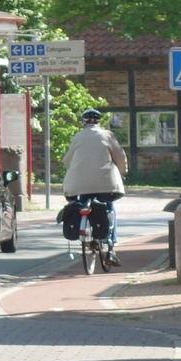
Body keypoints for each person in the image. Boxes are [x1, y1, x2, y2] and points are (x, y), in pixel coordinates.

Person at [62, 108, 128, 265]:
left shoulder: (77, 137)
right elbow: (120, 156)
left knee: (83, 201)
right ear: (99, 122)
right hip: (105, 183)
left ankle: (85, 233)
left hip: (79, 183)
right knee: (109, 207)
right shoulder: (107, 135)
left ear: (83, 122)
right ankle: (111, 248)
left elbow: (66, 160)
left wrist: (75, 171)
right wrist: (123, 172)